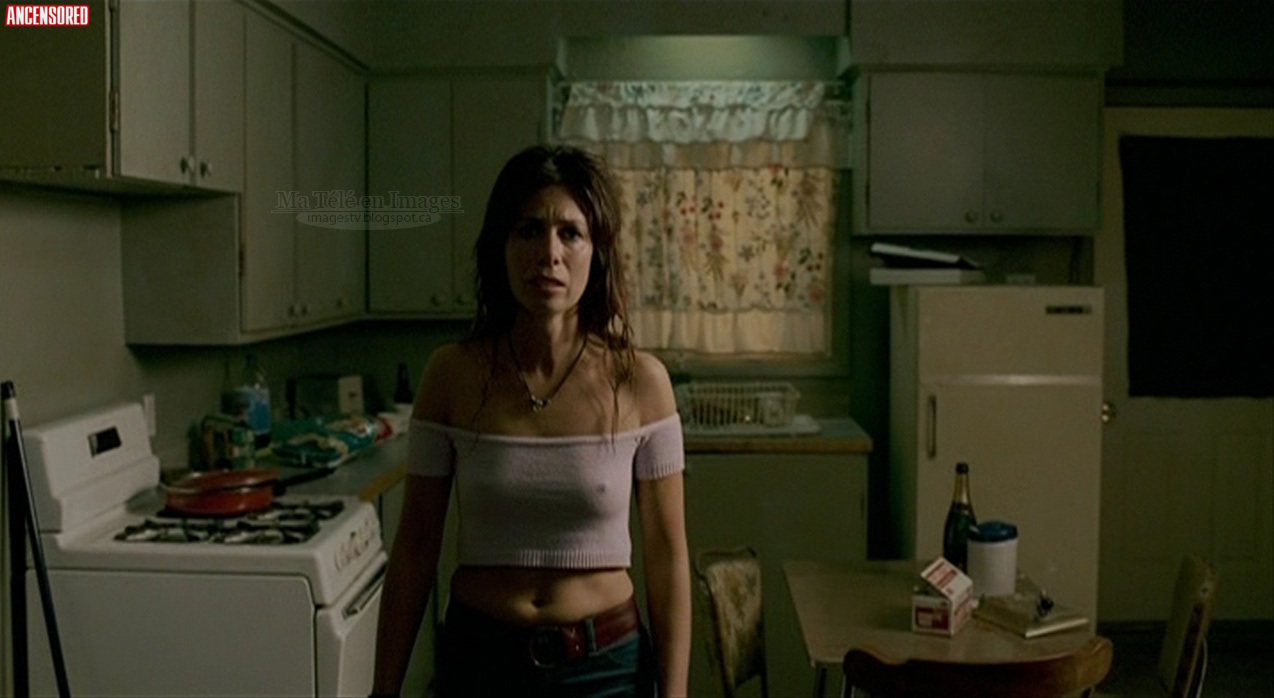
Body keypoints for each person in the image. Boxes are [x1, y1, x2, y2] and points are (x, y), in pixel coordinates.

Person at [371, 145, 691, 698]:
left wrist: (677, 694)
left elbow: (667, 555)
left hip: (606, 669)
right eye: (528, 230)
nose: (549, 253)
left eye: (571, 233)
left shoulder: (641, 382)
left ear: (597, 252)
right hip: (480, 663)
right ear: (501, 246)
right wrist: (383, 691)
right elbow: (415, 547)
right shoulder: (450, 376)